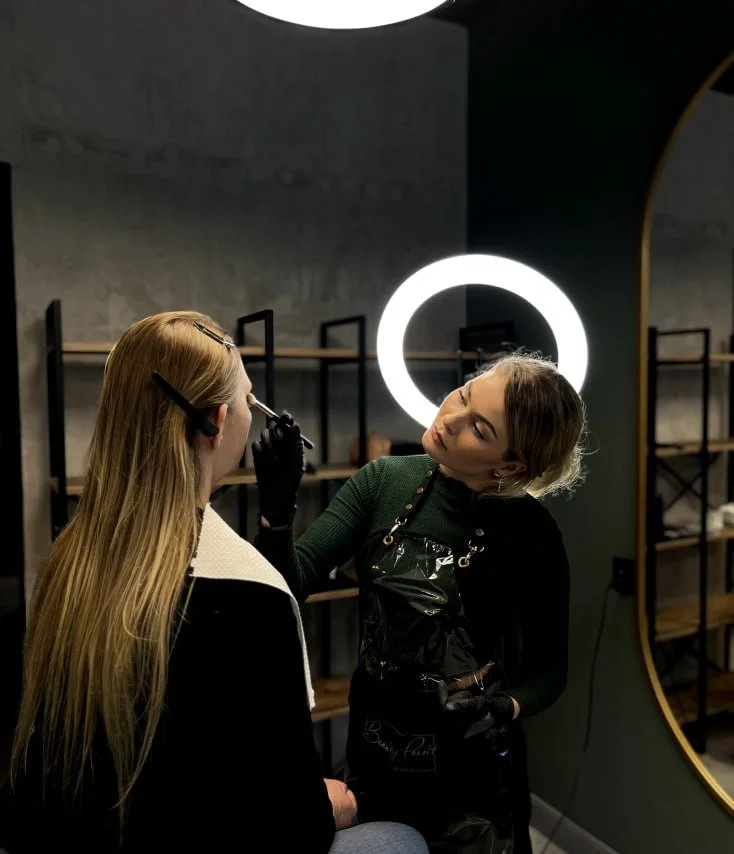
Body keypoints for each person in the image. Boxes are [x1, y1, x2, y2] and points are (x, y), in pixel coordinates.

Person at [0, 311, 428, 854]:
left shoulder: (67, 566)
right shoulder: (249, 599)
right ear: (217, 420)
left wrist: (277, 519)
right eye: (250, 400)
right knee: (398, 839)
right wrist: (330, 805)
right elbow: (288, 821)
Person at [252, 353, 585, 854]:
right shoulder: (383, 482)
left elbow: (548, 674)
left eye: (478, 427)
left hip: (474, 781)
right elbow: (288, 587)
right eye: (465, 393)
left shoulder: (532, 535)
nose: (449, 418)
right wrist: (277, 515)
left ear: (510, 465)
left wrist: (500, 707)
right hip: (376, 758)